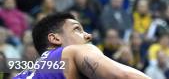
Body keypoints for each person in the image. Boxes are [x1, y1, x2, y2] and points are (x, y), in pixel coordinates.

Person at [13, 12, 151, 79]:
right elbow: (123, 76)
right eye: (77, 29)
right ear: (55, 38)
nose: (88, 35)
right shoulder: (72, 52)